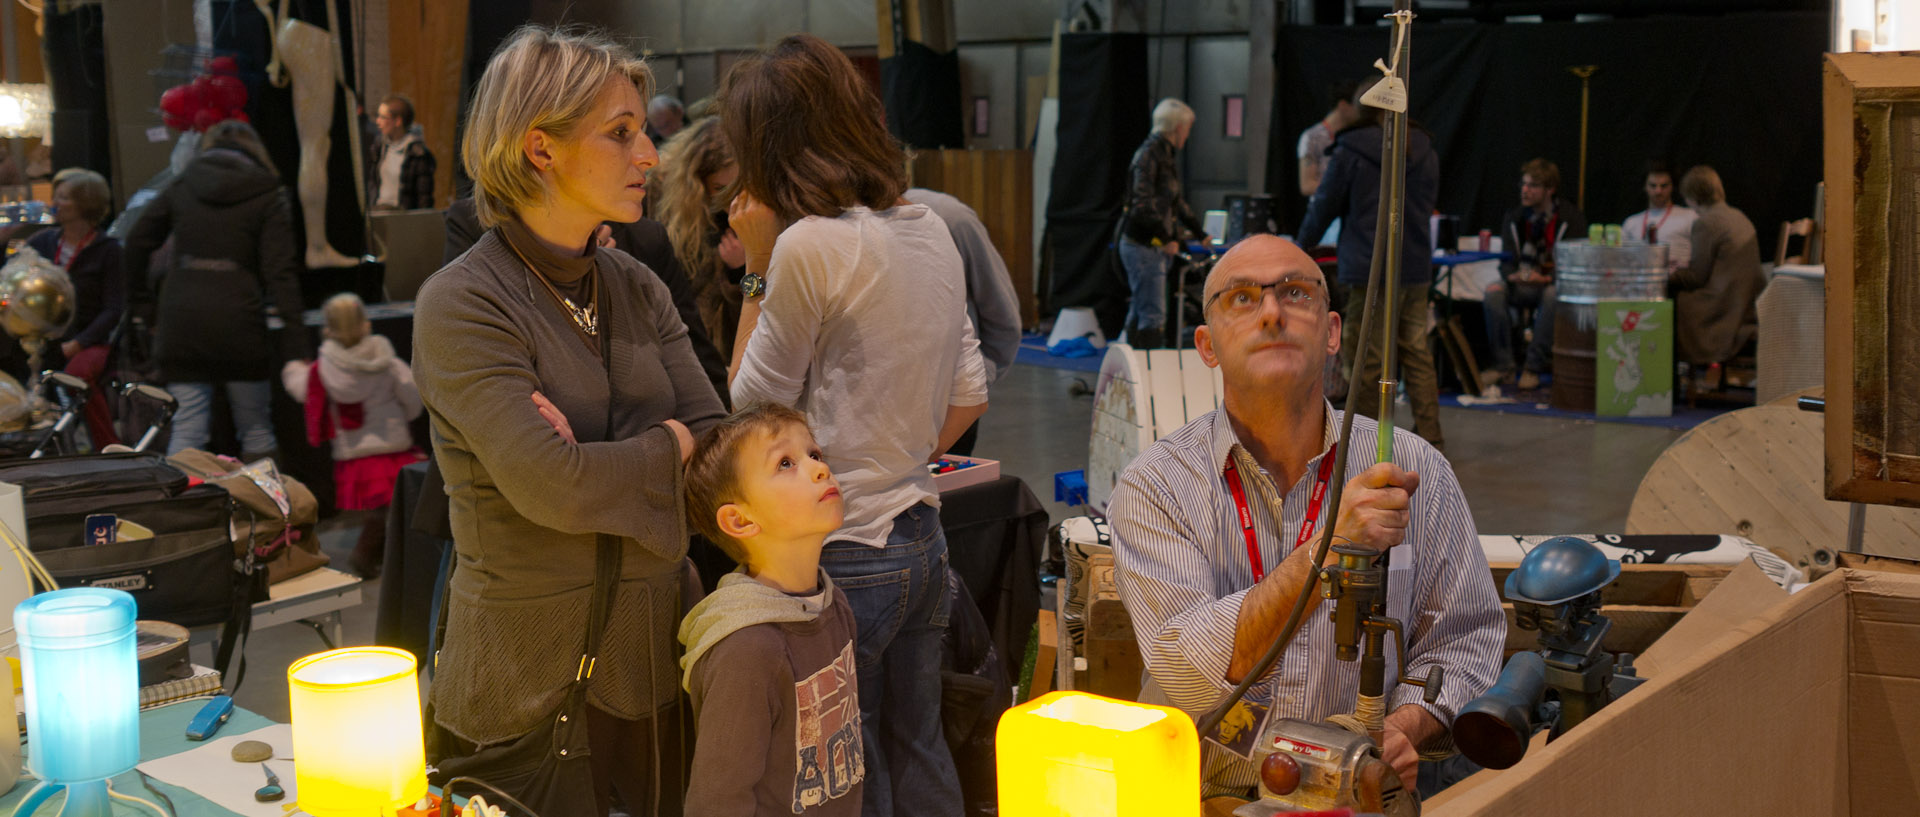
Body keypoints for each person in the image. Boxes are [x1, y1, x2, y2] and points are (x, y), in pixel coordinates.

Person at [411, 26, 727, 816]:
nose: (649, 155)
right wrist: (667, 445)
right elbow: (554, 487)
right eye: (620, 134)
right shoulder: (464, 300)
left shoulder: (635, 284)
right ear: (539, 148)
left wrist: (607, 459)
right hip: (522, 681)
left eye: (642, 132)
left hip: (652, 662)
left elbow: (718, 442)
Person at [1107, 235, 1502, 796]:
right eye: (1241, 298)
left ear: (1334, 332)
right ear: (1207, 345)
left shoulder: (1414, 469)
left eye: (1294, 292)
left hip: (1362, 793)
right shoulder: (1158, 485)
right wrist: (1329, 549)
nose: (1271, 312)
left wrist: (1402, 728)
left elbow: (1466, 639)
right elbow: (1188, 674)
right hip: (1210, 794)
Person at [723, 33, 988, 817]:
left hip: (839, 549)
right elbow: (971, 392)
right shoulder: (928, 225)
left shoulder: (807, 246)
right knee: (922, 742)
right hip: (922, 535)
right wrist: (897, 452)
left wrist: (756, 270)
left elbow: (748, 410)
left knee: (847, 765)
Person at [679, 403, 864, 817]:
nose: (819, 469)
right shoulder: (748, 650)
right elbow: (717, 802)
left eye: (814, 454)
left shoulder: (833, 604)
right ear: (741, 521)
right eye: (785, 463)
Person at [124, 119, 311, 460]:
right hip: (239, 318)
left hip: (181, 318)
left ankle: (191, 509)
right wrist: (298, 341)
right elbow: (280, 272)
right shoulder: (267, 192)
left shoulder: (183, 184)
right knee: (255, 426)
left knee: (189, 426)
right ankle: (266, 509)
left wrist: (142, 303)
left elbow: (136, 241)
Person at [444, 194, 730, 402]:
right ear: (544, 152)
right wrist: (672, 442)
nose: (649, 156)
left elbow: (709, 382)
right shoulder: (470, 250)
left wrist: (751, 272)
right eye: (619, 133)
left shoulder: (643, 250)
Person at [1296, 84, 1443, 448]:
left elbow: (1323, 204)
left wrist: (1301, 247)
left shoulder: (1352, 150)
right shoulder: (1425, 149)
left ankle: (1360, 442)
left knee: (1365, 355)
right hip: (1415, 266)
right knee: (1416, 350)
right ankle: (1432, 436)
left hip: (1369, 267)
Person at [283, 293, 424, 579]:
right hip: (391, 446)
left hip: (355, 452)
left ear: (327, 328)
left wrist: (292, 368)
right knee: (390, 510)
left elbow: (300, 389)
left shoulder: (322, 370)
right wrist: (408, 415)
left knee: (382, 508)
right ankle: (368, 553)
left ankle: (379, 554)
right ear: (365, 323)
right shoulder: (388, 363)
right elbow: (412, 396)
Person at [902, 187, 1021, 456]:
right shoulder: (832, 224)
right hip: (878, 410)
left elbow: (1001, 310)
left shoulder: (949, 218)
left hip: (948, 403)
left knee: (947, 493)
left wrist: (980, 376)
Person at [28, 167, 124, 448]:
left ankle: (107, 445)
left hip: (91, 340)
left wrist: (80, 342)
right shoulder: (42, 242)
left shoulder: (109, 250)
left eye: (64, 198)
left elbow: (114, 308)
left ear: (86, 203)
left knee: (77, 376)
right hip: (47, 338)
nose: (56, 204)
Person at [1483, 158, 1586, 390]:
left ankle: (1533, 366)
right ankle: (1503, 366)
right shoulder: (1515, 218)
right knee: (1493, 292)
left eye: (1532, 186)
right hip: (1522, 283)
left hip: (1553, 284)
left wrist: (1548, 278)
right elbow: (1506, 261)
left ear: (1550, 189)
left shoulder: (1570, 219)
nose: (1525, 190)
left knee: (1551, 294)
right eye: (1523, 185)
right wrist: (1512, 276)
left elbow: (1576, 263)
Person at [654, 115, 747, 363]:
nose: (732, 200)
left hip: (737, 359)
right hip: (686, 355)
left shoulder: (763, 218)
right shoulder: (668, 209)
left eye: (739, 186)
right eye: (720, 189)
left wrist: (743, 272)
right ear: (699, 182)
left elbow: (764, 302)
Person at [1118, 98, 1207, 350]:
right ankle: (1146, 375)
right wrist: (1165, 237)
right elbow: (1141, 205)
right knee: (1152, 316)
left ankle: (1129, 372)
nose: (1188, 134)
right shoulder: (1149, 155)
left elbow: (1174, 201)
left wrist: (1200, 233)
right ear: (1178, 128)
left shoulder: (1163, 155)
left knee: (1141, 310)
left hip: (1149, 247)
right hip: (1143, 247)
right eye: (1188, 128)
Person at [1670, 166, 1764, 372]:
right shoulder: (1737, 215)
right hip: (1745, 300)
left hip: (1723, 308)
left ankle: (1666, 377)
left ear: (1692, 196)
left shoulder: (1707, 222)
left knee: (1670, 302)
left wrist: (1668, 274)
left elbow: (1696, 277)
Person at [1622, 161, 1697, 269]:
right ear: (1645, 187)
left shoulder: (1690, 216)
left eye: (1664, 186)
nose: (1658, 191)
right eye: (1653, 185)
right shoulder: (1631, 222)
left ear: (1672, 187)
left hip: (1677, 282)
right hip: (1639, 281)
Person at [368, 94, 436, 210]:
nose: (378, 121)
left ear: (398, 121)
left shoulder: (417, 153)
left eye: (383, 117)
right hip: (379, 213)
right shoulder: (379, 147)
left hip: (402, 217)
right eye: (377, 116)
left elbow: (424, 196)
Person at [1298, 79, 1362, 199]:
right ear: (1343, 105)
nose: (1360, 112)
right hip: (1324, 210)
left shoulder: (1355, 136)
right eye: (1357, 106)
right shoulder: (1312, 137)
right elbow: (1306, 186)